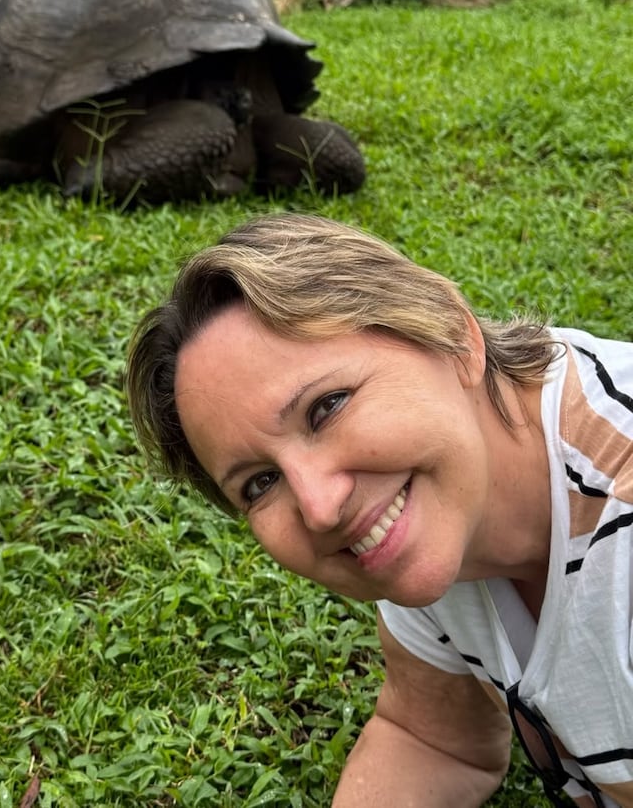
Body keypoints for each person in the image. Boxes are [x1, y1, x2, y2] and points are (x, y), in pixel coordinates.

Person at [126, 212, 633, 808]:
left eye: (327, 407)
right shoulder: (442, 500)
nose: (320, 508)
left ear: (454, 337)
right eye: (261, 483)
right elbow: (434, 740)